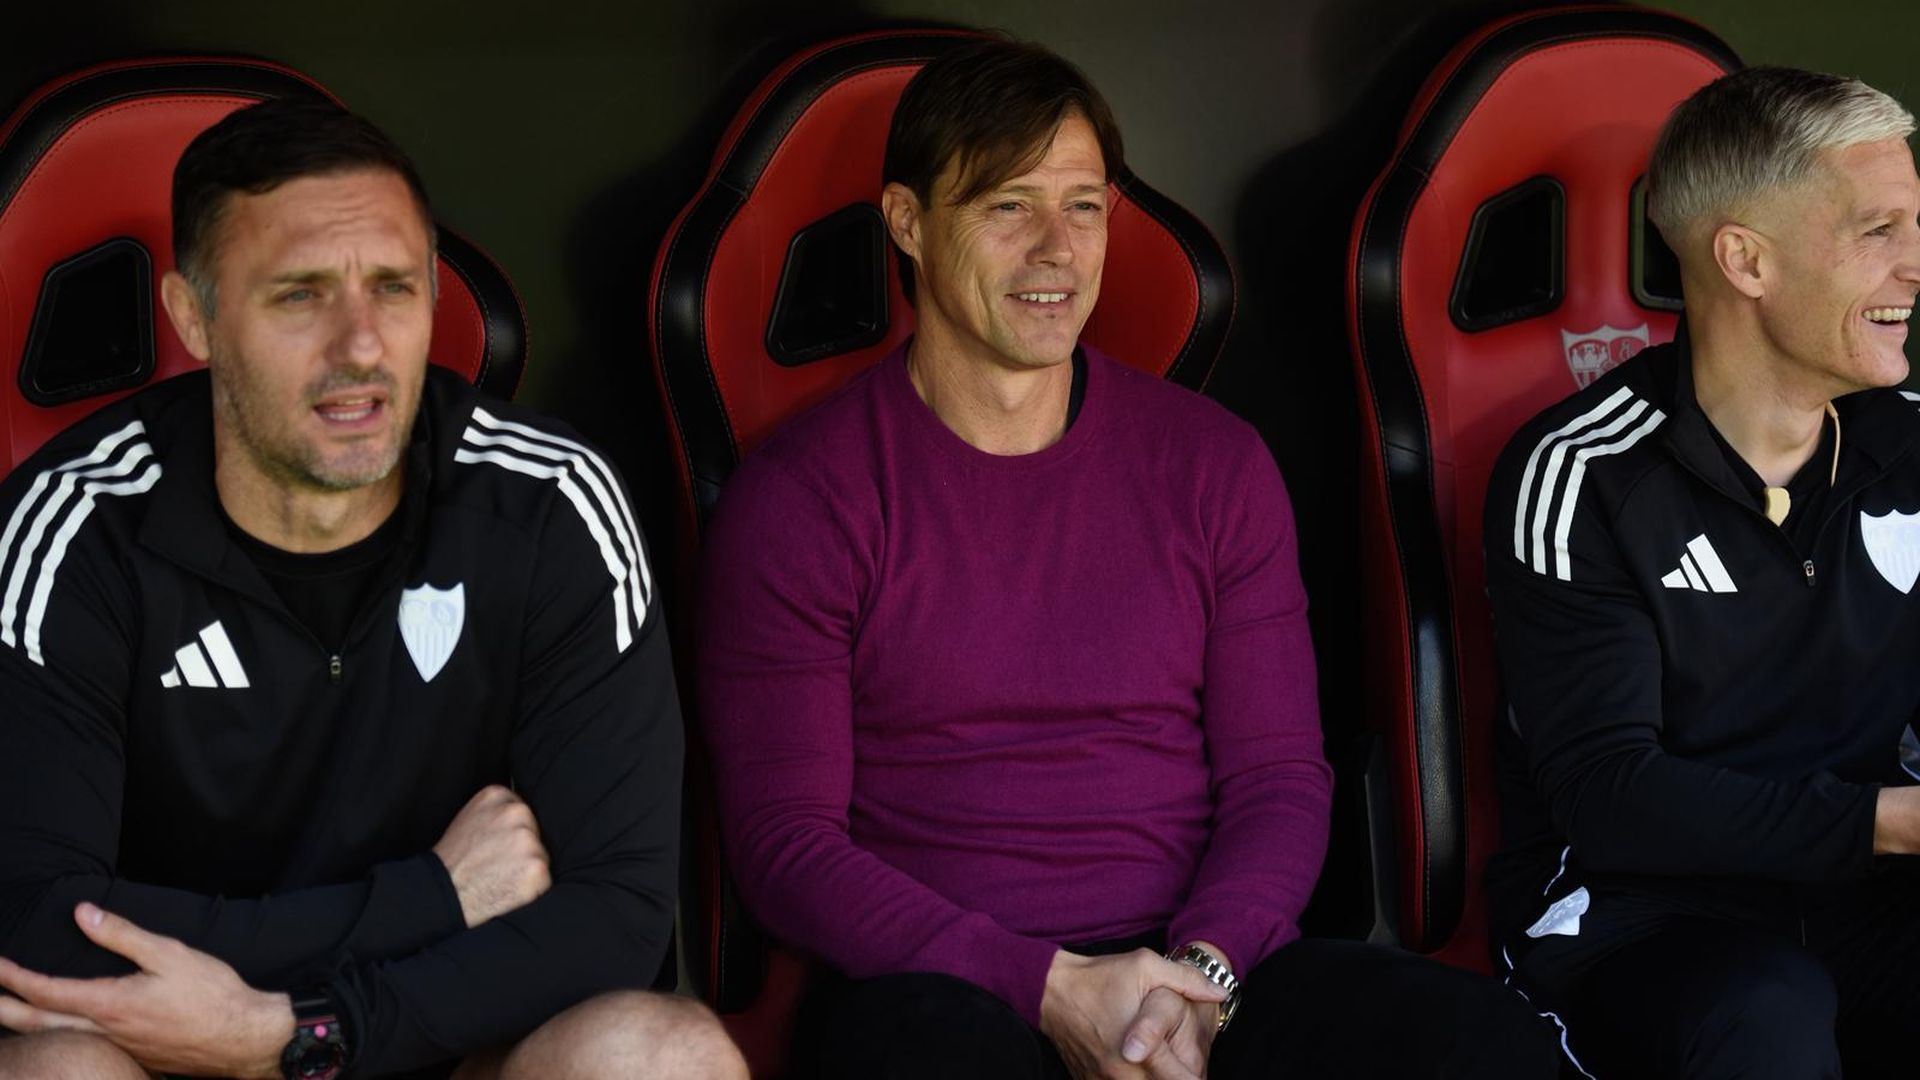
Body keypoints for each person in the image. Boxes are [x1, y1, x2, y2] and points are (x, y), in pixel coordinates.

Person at [698, 36, 1562, 1080]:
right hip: (948, 988)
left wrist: (1201, 980)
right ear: (908, 223)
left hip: (1201, 971)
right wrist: (1049, 986)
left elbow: (1280, 777)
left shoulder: (1213, 465)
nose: (1057, 248)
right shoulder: (801, 498)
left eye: (1085, 206)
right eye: (1008, 205)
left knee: (1485, 1050)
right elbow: (787, 849)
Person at [0, 98, 744, 1079]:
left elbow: (616, 916)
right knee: (55, 1068)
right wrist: (431, 898)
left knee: (662, 1053)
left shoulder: (550, 504)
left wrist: (308, 1032)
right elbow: (33, 921)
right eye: (300, 295)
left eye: (393, 288)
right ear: (196, 317)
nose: (360, 345)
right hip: (169, 1049)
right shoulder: (75, 527)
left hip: (430, 1043)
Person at [1485, 66, 1920, 1079]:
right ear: (1745, 259)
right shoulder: (1580, 476)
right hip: (1650, 915)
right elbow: (1611, 796)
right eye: (1878, 232)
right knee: (1761, 1022)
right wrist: (1886, 823)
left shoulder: (1907, 443)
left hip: (1873, 896)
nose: (1914, 265)